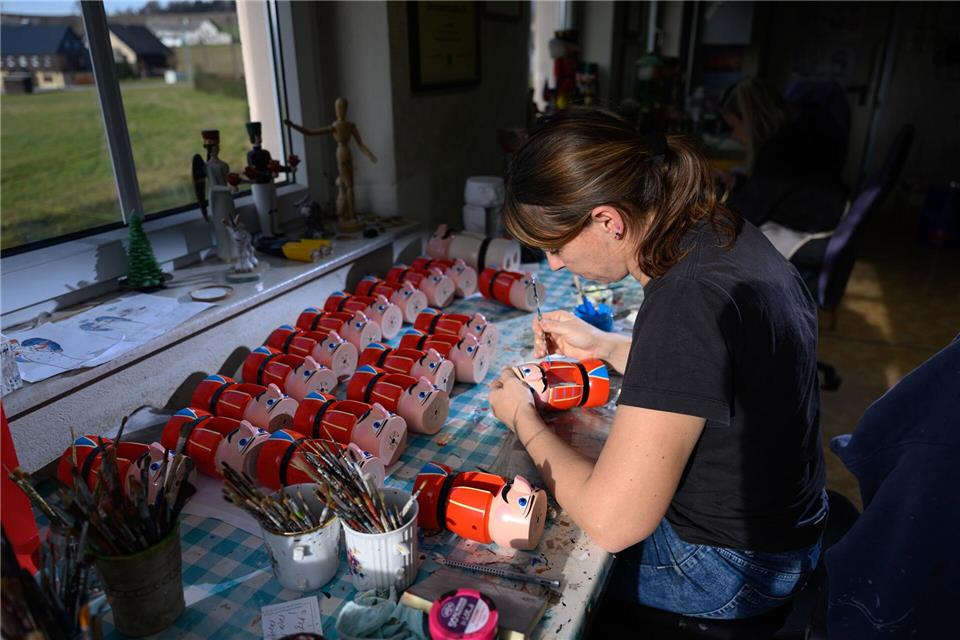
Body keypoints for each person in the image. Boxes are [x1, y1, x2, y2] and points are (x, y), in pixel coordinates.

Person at [487, 108, 827, 620]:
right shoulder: (716, 228)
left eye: (555, 245)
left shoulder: (684, 303)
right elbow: (710, 378)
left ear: (607, 220)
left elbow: (612, 521)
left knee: (522, 554)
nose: (554, 263)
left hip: (729, 567)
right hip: (792, 526)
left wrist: (522, 417)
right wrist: (607, 345)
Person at [719, 77, 847, 234]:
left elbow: (748, 213)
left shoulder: (780, 149)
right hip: (824, 220)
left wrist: (710, 204)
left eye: (734, 126)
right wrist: (737, 182)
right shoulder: (798, 135)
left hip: (805, 234)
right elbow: (772, 190)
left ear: (751, 120)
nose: (733, 136)